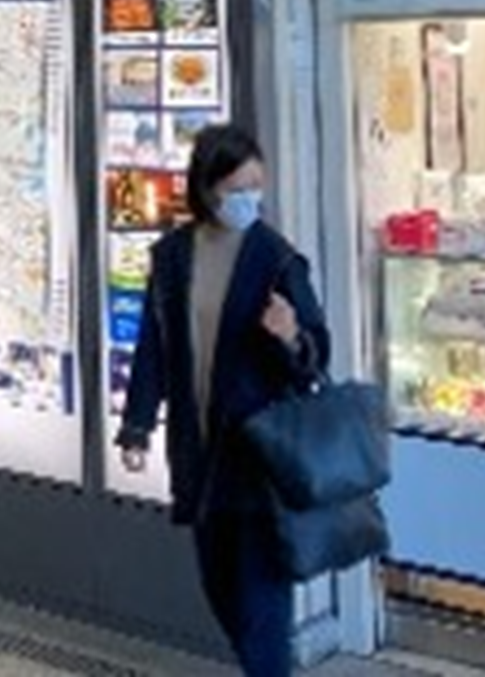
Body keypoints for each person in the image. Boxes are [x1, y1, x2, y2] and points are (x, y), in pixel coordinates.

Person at [116, 123, 330, 677]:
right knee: (220, 588)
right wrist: (137, 425)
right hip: (199, 452)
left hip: (259, 456)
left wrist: (290, 336)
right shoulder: (173, 257)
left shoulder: (276, 259)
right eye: (238, 188)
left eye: (257, 186)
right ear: (207, 188)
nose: (249, 199)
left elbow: (315, 355)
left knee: (261, 604)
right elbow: (154, 348)